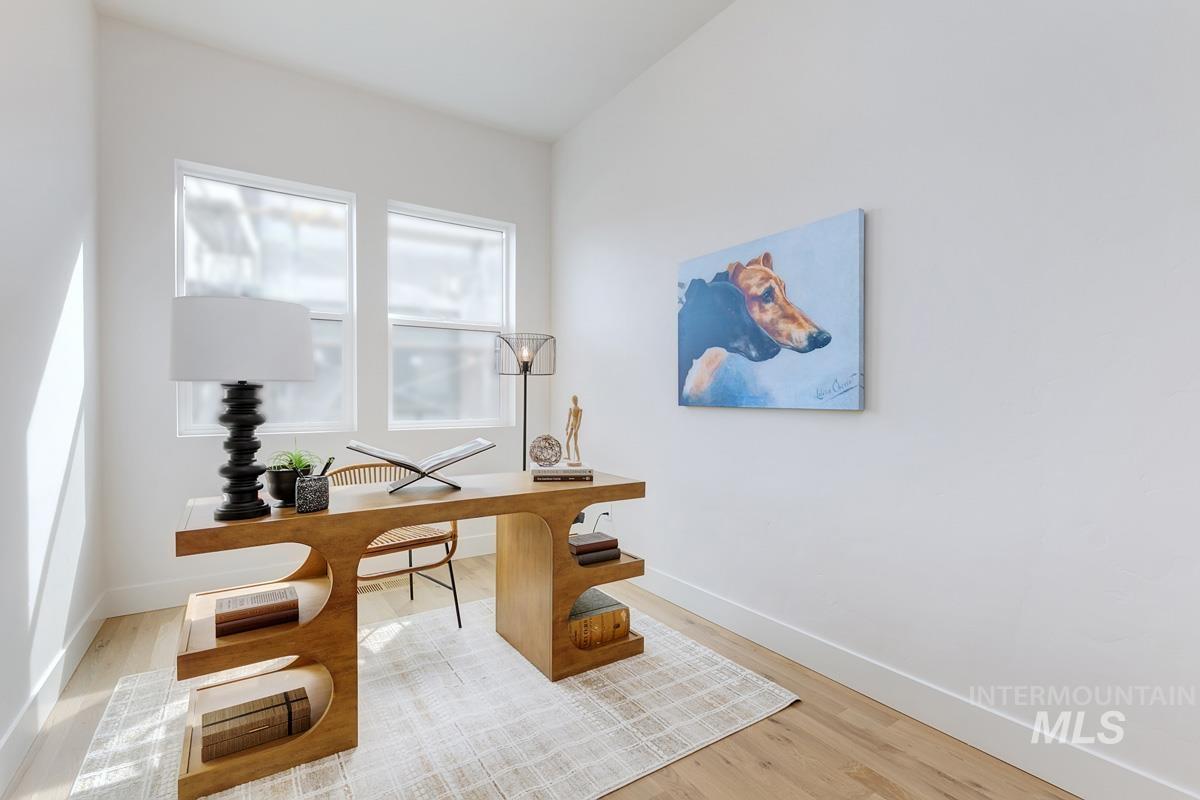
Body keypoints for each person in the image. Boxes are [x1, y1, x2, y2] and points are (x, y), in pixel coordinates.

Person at [564, 395, 583, 465]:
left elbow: (579, 421)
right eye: (574, 400)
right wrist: (566, 429)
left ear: (577, 400)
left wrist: (577, 429)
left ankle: (578, 458)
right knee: (567, 442)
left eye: (576, 399)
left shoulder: (579, 410)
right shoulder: (571, 409)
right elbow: (568, 420)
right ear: (572, 401)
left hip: (575, 427)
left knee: (575, 444)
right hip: (571, 426)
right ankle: (569, 457)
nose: (575, 401)